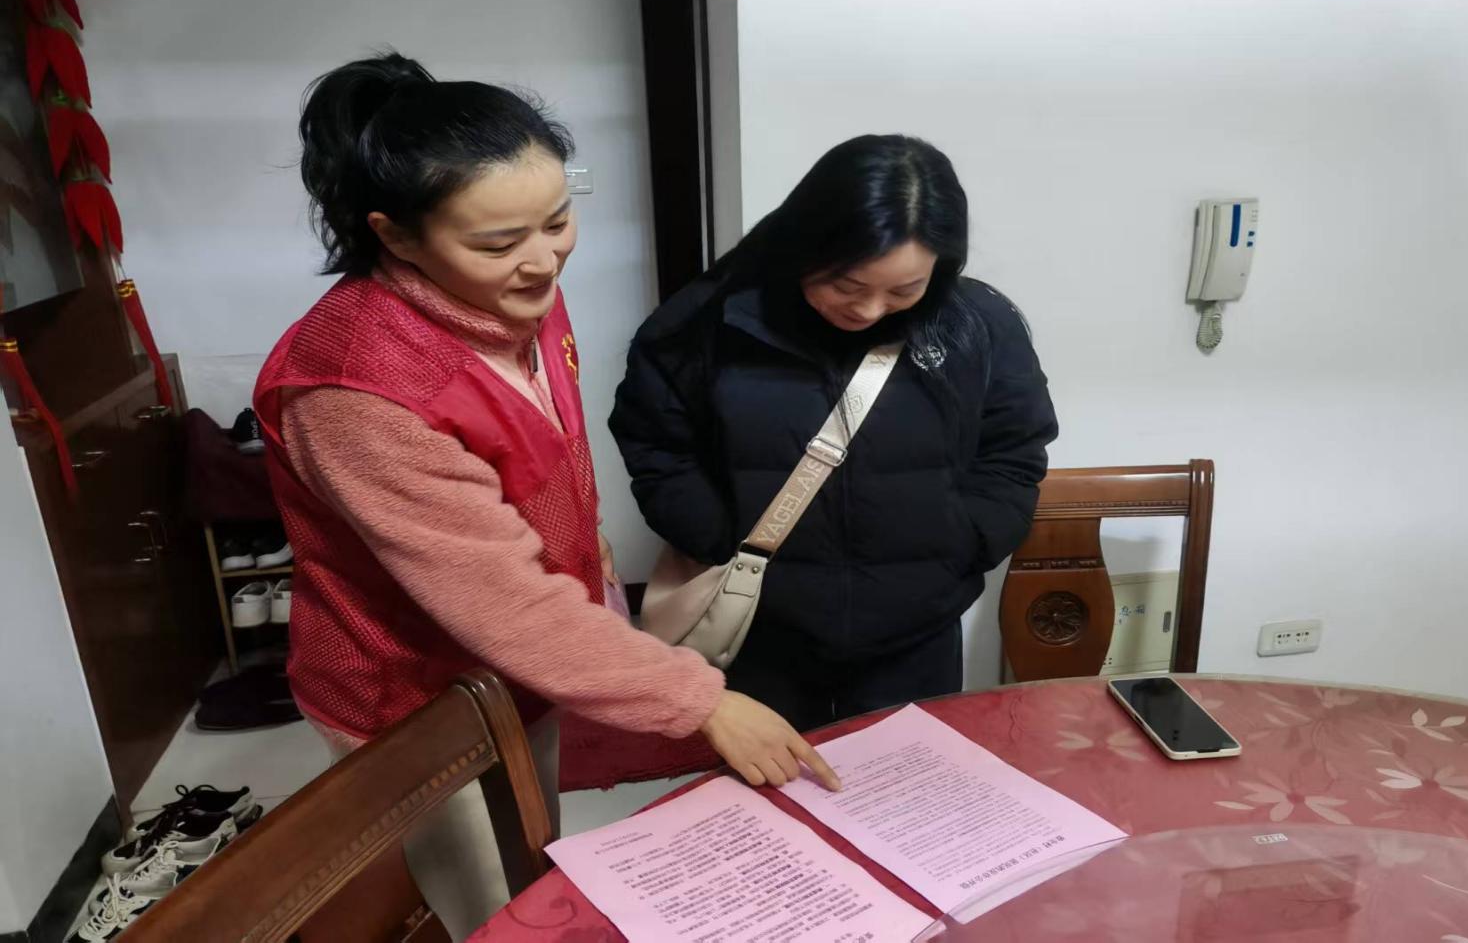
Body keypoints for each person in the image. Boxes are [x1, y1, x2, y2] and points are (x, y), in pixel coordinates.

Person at [253, 52, 837, 939]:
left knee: (535, 843)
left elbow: (540, 451)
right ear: (396, 238)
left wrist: (585, 551)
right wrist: (702, 702)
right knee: (496, 908)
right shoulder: (354, 389)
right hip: (412, 693)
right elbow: (497, 598)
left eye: (558, 220)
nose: (541, 260)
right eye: (497, 243)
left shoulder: (511, 296)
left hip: (524, 654)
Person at [611, 135, 1058, 732]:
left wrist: (966, 542)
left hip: (915, 635)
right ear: (806, 243)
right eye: (846, 285)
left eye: (904, 290)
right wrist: (719, 539)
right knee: (774, 786)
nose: (869, 310)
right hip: (761, 632)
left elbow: (1014, 449)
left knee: (903, 782)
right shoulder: (706, 323)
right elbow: (657, 448)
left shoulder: (977, 327)